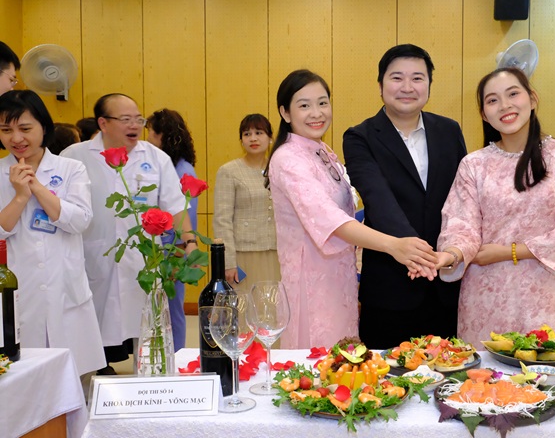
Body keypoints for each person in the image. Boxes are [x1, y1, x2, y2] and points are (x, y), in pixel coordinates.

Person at [266, 69, 437, 349]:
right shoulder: (288, 159)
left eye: (323, 103)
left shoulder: (321, 152)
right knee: (319, 359)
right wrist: (394, 245)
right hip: (312, 282)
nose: (316, 113)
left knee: (344, 356)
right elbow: (331, 220)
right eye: (304, 105)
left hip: (339, 278)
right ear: (285, 113)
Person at [433, 67, 555, 345]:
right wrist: (450, 255)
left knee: (543, 366)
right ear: (484, 114)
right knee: (484, 370)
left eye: (513, 94)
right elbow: (461, 224)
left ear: (532, 99)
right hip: (485, 295)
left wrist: (508, 252)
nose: (504, 105)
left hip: (545, 295)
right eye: (492, 100)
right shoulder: (474, 165)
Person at [61, 93, 196, 374]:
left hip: (143, 261)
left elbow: (175, 207)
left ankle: (148, 378)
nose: (134, 125)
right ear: (103, 123)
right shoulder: (74, 157)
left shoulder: (156, 158)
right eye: (125, 119)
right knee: (88, 326)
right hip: (91, 258)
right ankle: (90, 378)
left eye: (138, 119)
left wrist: (190, 243)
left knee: (146, 326)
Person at [343, 44, 467, 348]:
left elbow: (462, 199)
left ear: (429, 85)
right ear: (380, 85)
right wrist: (419, 256)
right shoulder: (360, 137)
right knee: (383, 374)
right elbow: (378, 199)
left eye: (417, 78)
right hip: (389, 290)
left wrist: (444, 256)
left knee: (447, 370)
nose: (407, 87)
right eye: (397, 78)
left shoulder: (449, 131)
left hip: (445, 286)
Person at [0, 90, 105, 376]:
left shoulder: (71, 168)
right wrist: (20, 197)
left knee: (75, 377)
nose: (16, 138)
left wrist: (36, 187)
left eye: (25, 128)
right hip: (20, 288)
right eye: (6, 130)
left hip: (65, 286)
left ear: (43, 127)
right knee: (23, 376)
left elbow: (80, 220)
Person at [145, 108, 198, 350]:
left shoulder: (182, 170)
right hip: (159, 248)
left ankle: (176, 355)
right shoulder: (162, 165)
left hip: (173, 249)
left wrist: (179, 252)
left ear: (163, 135)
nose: (147, 139)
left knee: (172, 309)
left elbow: (186, 216)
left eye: (151, 133)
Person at [213, 114, 280, 290]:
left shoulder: (278, 168)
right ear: (241, 141)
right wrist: (228, 262)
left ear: (270, 138)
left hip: (277, 253)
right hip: (243, 255)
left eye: (259, 133)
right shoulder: (229, 171)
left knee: (274, 303)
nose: (253, 138)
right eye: (247, 134)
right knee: (246, 304)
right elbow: (222, 220)